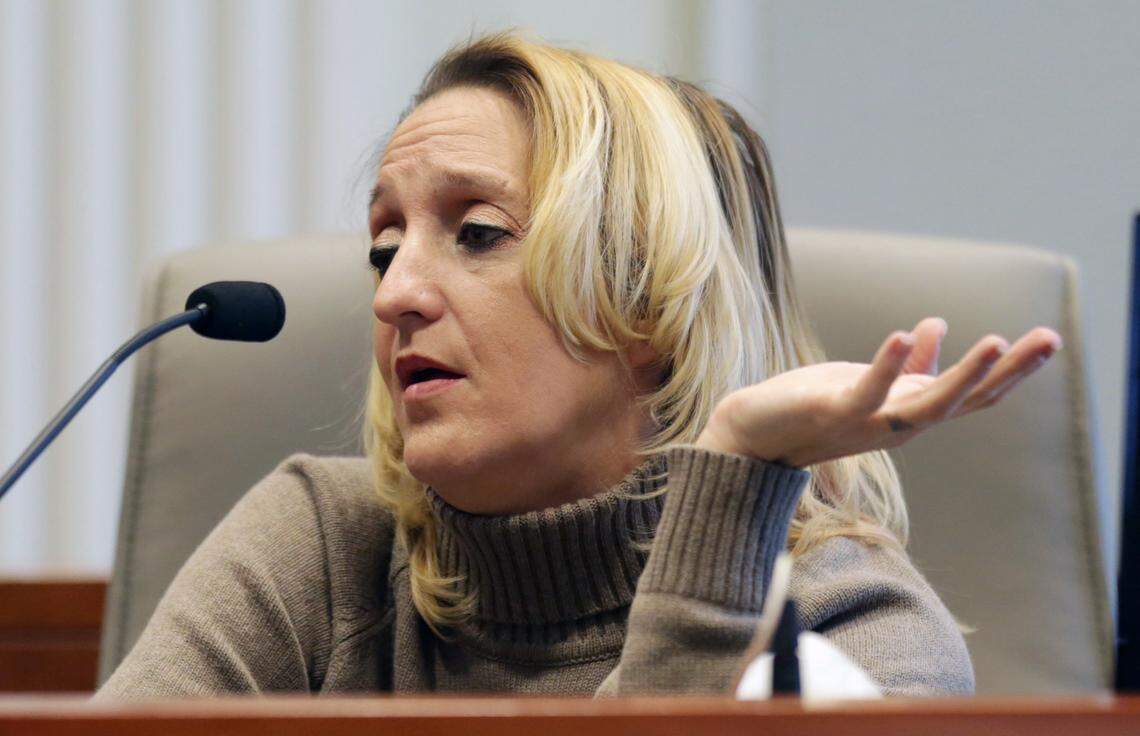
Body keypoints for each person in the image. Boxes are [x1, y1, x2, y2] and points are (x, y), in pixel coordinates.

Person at [96, 31, 1062, 699]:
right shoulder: (318, 550)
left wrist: (726, 480)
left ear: (655, 305)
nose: (394, 297)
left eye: (477, 233)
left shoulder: (854, 626)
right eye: (385, 249)